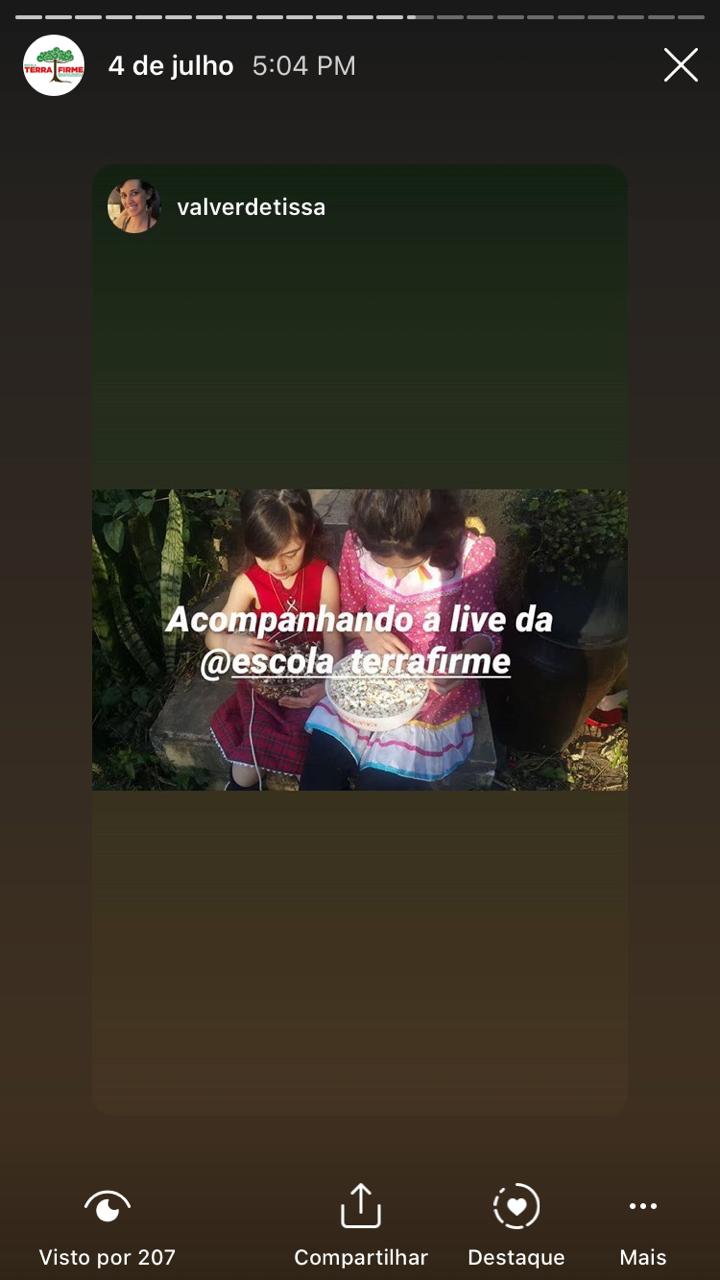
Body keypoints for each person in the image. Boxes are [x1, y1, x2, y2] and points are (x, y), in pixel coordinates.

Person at [300, 490, 500, 791]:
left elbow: (484, 633)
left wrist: (467, 659)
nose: (396, 573)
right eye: (385, 563)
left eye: (409, 564)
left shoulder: (471, 556)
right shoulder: (358, 544)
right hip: (367, 676)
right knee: (322, 768)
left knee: (381, 781)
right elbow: (343, 616)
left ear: (437, 538)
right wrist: (364, 628)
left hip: (432, 689)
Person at [208, 490, 342, 790]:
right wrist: (229, 643)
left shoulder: (323, 577)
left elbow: (333, 639)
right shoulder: (249, 583)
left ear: (309, 532)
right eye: (266, 555)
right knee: (244, 774)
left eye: (290, 553)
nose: (279, 566)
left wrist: (326, 686)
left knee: (315, 755)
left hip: (312, 683)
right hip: (266, 688)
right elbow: (213, 634)